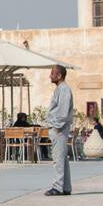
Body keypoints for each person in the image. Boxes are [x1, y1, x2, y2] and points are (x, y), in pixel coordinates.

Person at [43, 65, 73, 196]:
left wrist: (56, 127)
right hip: (58, 129)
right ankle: (65, 187)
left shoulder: (64, 90)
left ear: (59, 75)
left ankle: (57, 187)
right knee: (62, 159)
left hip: (59, 129)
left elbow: (62, 111)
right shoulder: (60, 89)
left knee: (58, 159)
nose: (50, 76)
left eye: (52, 73)